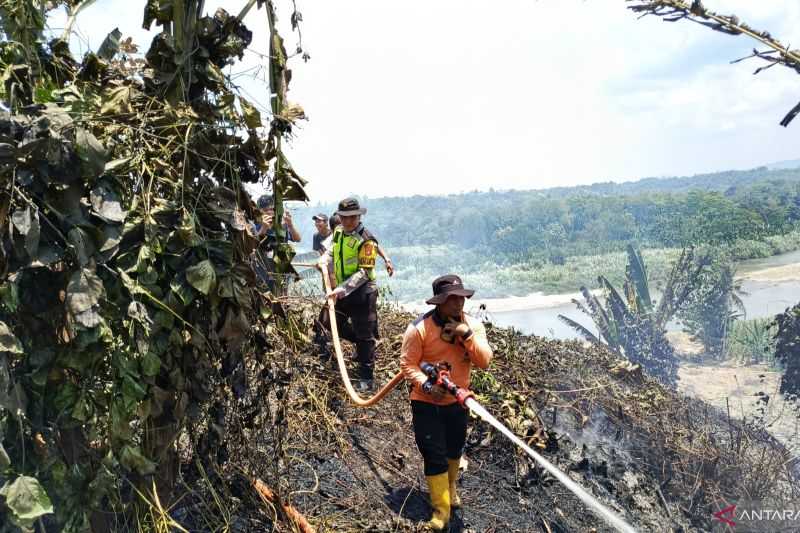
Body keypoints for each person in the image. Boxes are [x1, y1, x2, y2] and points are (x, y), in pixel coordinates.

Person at [400, 274, 493, 531]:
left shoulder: (473, 326)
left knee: (454, 450)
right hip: (425, 402)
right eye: (452, 299)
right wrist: (428, 386)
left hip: (458, 402)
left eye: (461, 298)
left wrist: (467, 336)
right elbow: (407, 365)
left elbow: (485, 361)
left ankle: (450, 491)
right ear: (439, 303)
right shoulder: (419, 329)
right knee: (434, 454)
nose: (458, 304)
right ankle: (441, 512)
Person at [316, 197, 383, 390]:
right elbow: (331, 251)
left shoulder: (367, 240)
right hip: (341, 290)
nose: (347, 222)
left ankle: (367, 379)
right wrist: (324, 260)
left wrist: (342, 288)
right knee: (329, 322)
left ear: (359, 216)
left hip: (362, 292)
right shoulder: (338, 232)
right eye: (344, 217)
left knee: (364, 332)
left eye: (352, 217)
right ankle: (365, 346)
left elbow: (365, 272)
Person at [252, 194, 301, 292]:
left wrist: (290, 225)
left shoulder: (281, 226)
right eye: (266, 210)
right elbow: (253, 245)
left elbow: (297, 238)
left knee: (282, 294)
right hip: (263, 272)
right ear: (260, 212)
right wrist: (264, 228)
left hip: (280, 271)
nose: (270, 213)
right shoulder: (255, 226)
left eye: (272, 209)